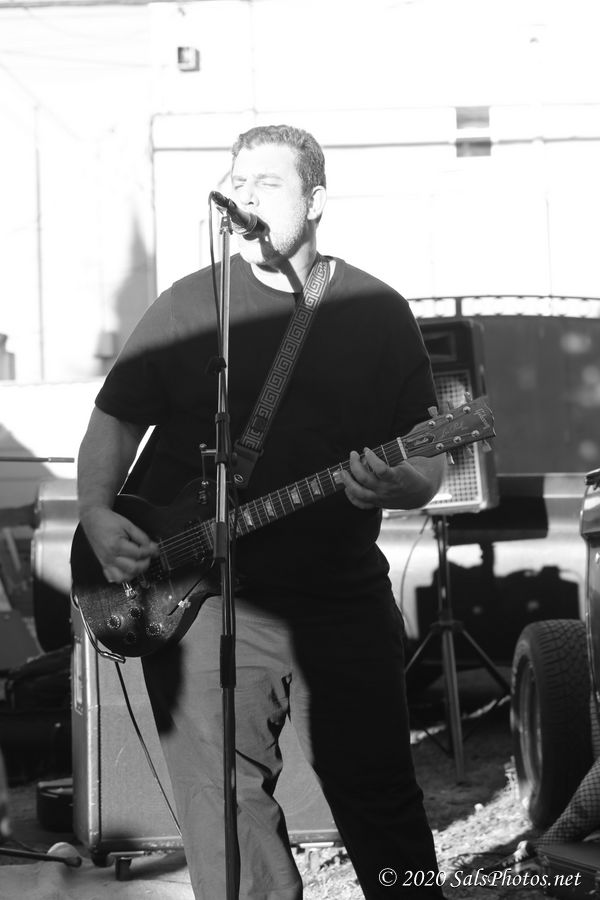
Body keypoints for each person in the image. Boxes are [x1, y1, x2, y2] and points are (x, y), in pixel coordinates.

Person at [76, 124, 446, 899]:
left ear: (315, 201)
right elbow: (114, 419)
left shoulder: (376, 311)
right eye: (238, 182)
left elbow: (430, 456)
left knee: (378, 791)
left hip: (337, 596)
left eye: (267, 184)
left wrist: (399, 485)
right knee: (222, 801)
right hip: (202, 599)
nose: (245, 196)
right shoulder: (189, 305)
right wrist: (98, 515)